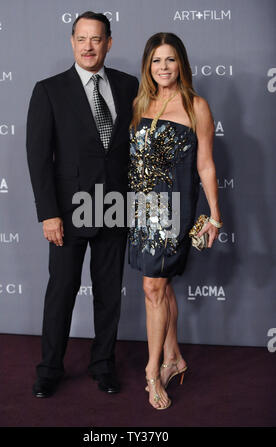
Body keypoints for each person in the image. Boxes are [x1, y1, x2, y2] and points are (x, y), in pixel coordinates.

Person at [26, 11, 138, 398]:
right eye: (81, 38)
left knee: (110, 293)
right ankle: (49, 369)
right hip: (69, 211)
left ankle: (103, 365)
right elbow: (39, 157)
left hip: (116, 206)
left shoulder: (129, 86)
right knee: (62, 291)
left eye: (96, 39)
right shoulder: (49, 90)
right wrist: (48, 213)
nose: (88, 46)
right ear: (72, 42)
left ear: (109, 42)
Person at [128, 32, 222, 410]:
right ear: (147, 66)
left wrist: (214, 216)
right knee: (159, 289)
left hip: (174, 212)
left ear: (180, 62)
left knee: (153, 288)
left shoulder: (196, 105)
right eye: (156, 61)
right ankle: (174, 359)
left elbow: (206, 164)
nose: (163, 68)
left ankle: (152, 372)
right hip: (140, 210)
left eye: (169, 60)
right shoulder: (140, 102)